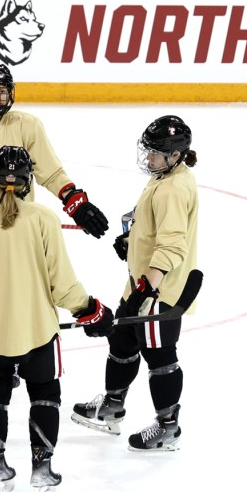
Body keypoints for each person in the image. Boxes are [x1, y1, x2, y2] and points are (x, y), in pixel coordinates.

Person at [0, 145, 114, 492]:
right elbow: (62, 284)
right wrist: (90, 309)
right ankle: (43, 469)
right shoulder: (44, 218)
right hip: (37, 332)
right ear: (29, 180)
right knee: (45, 394)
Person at [0, 63, 109, 389]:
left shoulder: (28, 124)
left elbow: (51, 173)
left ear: (12, 93)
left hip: (20, 228)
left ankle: (8, 352)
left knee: (15, 292)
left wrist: (76, 204)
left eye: (1, 91)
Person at [71, 115, 199, 451]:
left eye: (156, 152)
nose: (149, 157)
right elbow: (153, 225)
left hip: (159, 292)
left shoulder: (173, 187)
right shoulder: (164, 176)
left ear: (174, 155)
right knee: (122, 342)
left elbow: (173, 244)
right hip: (141, 285)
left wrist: (149, 287)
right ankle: (113, 407)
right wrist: (132, 241)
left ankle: (168, 426)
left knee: (160, 358)